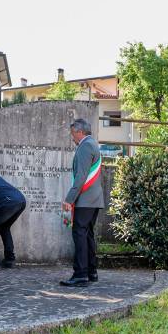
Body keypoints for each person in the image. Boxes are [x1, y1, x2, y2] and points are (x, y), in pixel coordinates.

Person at [60, 118, 105, 287]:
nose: (72, 137)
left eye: (73, 133)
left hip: (85, 200)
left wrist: (69, 199)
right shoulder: (93, 144)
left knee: (79, 235)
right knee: (87, 235)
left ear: (80, 132)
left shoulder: (85, 146)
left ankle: (80, 274)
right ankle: (91, 272)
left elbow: (81, 177)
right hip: (93, 200)